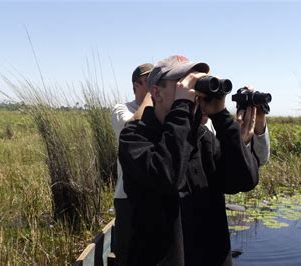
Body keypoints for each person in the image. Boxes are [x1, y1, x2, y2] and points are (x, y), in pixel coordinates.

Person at [118, 55, 262, 265]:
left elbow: (245, 180)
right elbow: (167, 177)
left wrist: (221, 116)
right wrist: (182, 107)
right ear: (156, 92)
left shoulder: (204, 138)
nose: (194, 92)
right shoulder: (134, 137)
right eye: (184, 85)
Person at [110, 63, 153, 266]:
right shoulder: (121, 109)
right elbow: (132, 129)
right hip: (126, 198)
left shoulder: (161, 112)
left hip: (154, 197)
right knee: (126, 255)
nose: (156, 84)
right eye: (150, 80)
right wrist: (151, 98)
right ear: (136, 85)